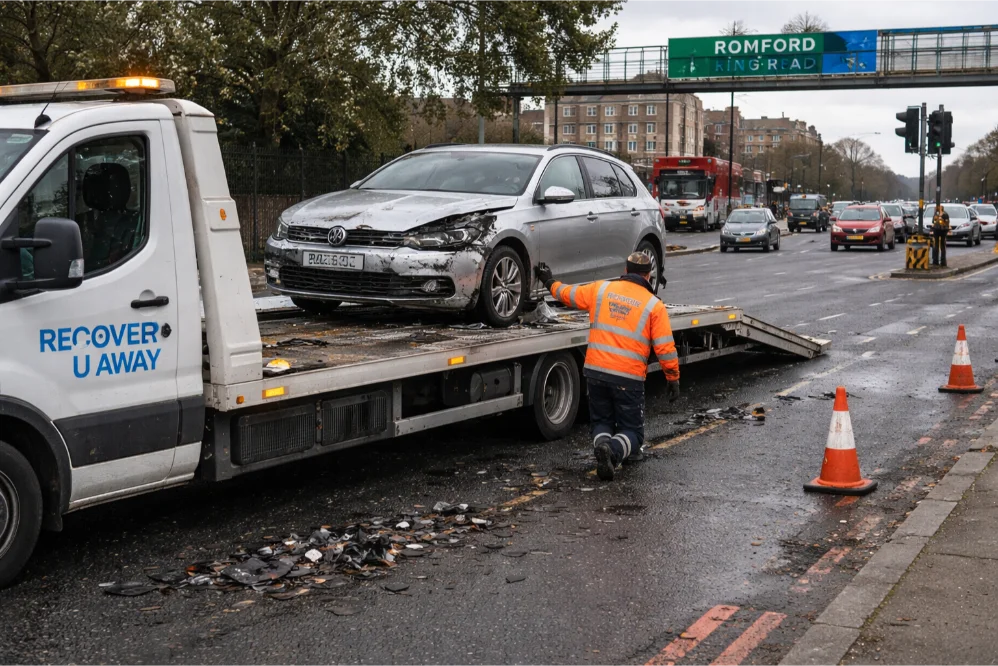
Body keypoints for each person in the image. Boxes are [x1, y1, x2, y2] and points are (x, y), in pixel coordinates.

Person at [534, 253, 680, 481]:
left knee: (602, 422)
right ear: (648, 275)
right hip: (628, 378)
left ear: (625, 270)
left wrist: (549, 281)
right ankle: (612, 451)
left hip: (595, 372)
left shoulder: (601, 290)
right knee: (633, 433)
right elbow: (665, 348)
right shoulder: (654, 305)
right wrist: (672, 377)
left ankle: (603, 450)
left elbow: (568, 295)